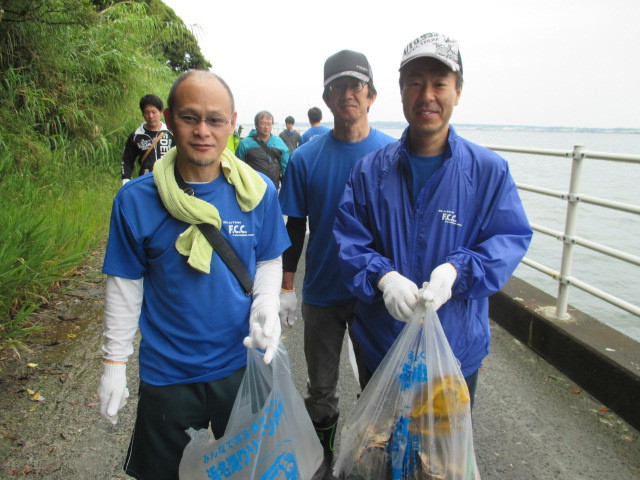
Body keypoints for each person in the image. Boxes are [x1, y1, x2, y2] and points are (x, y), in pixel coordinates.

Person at [97, 70, 290, 480]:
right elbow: (125, 286)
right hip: (168, 374)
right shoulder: (136, 200)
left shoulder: (257, 193)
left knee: (248, 473)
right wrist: (114, 362)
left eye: (216, 120)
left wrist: (268, 304)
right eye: (190, 117)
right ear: (168, 118)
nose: (204, 131)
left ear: (232, 122)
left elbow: (270, 259)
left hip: (241, 365)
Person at [334, 33, 533, 408]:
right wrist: (383, 276)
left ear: (457, 91)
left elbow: (507, 240)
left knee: (442, 460)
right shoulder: (368, 171)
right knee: (379, 452)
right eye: (415, 82)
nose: (427, 95)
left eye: (439, 83)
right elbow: (349, 241)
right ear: (401, 91)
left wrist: (458, 270)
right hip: (381, 345)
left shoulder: (489, 172)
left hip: (454, 354)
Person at [278, 49, 395, 479]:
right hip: (323, 293)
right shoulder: (306, 158)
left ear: (372, 95)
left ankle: (369, 464)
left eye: (356, 86)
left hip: (376, 296)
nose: (348, 94)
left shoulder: (393, 154)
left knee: (378, 388)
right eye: (338, 87)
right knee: (321, 391)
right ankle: (324, 465)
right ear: (326, 98)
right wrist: (287, 286)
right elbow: (294, 226)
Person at [121, 94, 174, 185]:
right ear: (142, 113)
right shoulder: (136, 136)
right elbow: (127, 160)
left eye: (154, 112)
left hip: (168, 182)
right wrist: (126, 180)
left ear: (161, 112)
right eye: (146, 112)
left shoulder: (171, 133)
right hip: (145, 181)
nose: (150, 116)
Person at [236, 111, 290, 188]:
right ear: (256, 125)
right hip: (253, 187)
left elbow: (285, 165)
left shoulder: (278, 142)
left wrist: (283, 174)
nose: (266, 127)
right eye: (263, 123)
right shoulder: (245, 143)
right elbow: (238, 165)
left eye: (269, 124)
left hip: (273, 186)